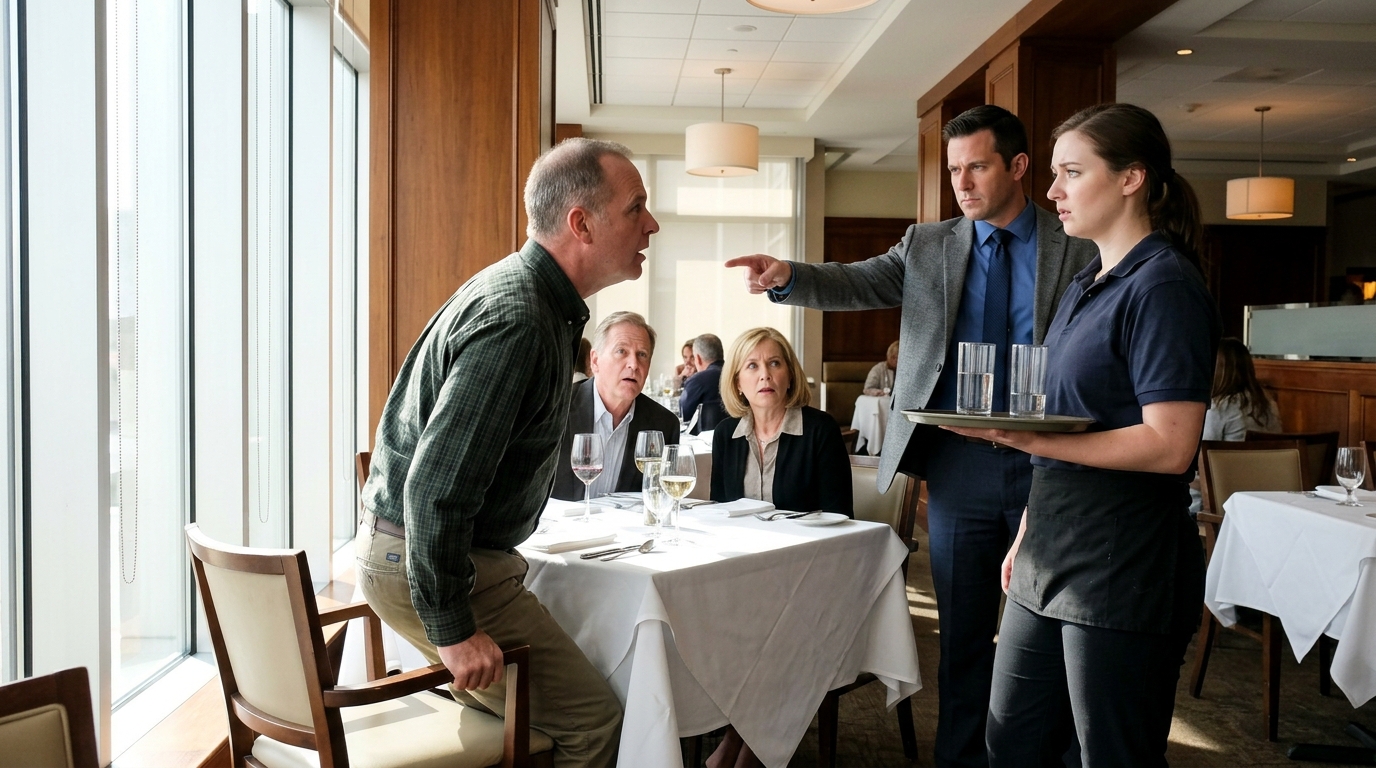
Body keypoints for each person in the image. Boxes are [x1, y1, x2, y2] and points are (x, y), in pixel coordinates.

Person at [725, 104, 1097, 768]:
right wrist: (789, 277)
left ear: (1018, 166)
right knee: (961, 636)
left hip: (1052, 461)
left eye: (977, 167)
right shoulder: (930, 244)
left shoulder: (1074, 243)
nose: (962, 183)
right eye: (953, 170)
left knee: (1050, 631)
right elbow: (860, 279)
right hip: (957, 463)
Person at [356, 137, 659, 768]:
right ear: (581, 223)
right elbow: (434, 489)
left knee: (558, 707)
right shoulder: (521, 320)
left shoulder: (524, 296)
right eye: (636, 208)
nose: (651, 224)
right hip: (433, 567)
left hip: (427, 556)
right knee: (597, 724)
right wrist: (453, 628)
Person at [946, 103, 1220, 766]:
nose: (1052, 191)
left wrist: (1025, 442)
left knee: (1108, 755)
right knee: (1012, 742)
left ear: (1131, 178)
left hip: (1123, 561)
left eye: (1071, 172)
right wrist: (1028, 528)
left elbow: (1170, 446)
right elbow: (1067, 413)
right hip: (1051, 547)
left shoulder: (1164, 285)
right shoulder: (1083, 282)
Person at [711, 327, 853, 515]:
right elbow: (719, 512)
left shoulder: (821, 430)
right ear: (737, 383)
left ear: (790, 375)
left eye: (774, 363)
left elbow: (838, 514)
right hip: (740, 535)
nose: (765, 375)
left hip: (807, 535)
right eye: (752, 366)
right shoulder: (725, 434)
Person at [552, 311, 680, 501]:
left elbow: (662, 500)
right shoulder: (557, 408)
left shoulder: (664, 424)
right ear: (595, 361)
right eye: (621, 351)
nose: (634, 364)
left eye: (642, 354)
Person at [1203, 337, 1281, 441]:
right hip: (1271, 452)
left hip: (1229, 453)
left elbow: (1202, 448)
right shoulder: (1267, 403)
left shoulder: (1218, 408)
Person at [680, 333, 726, 434]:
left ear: (698, 358)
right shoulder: (738, 374)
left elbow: (684, 416)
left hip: (704, 439)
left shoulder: (697, 381)